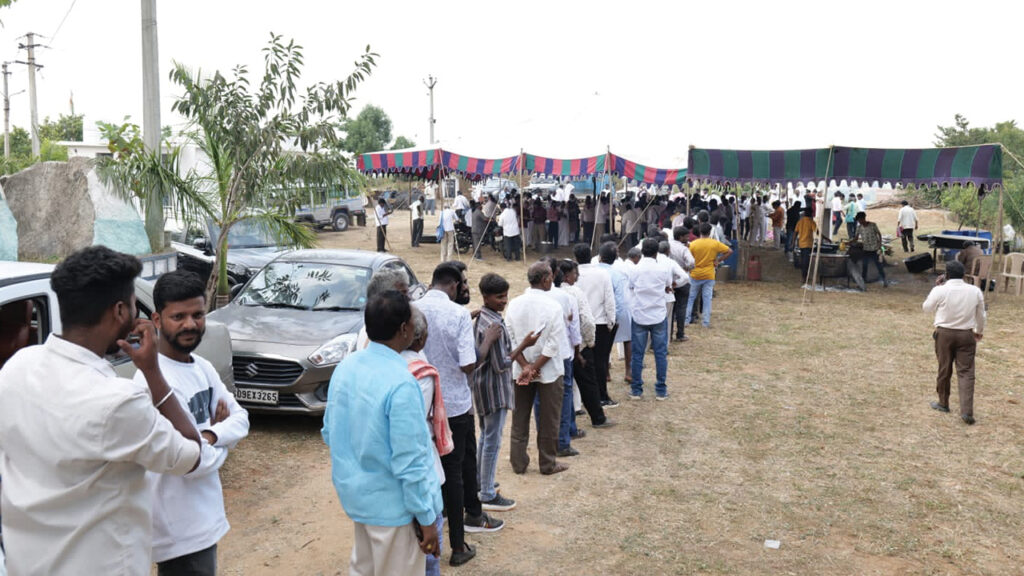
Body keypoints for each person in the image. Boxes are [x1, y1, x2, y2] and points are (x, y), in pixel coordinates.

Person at [0, 246, 202, 575]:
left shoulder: (16, 368)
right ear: (120, 311)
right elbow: (192, 455)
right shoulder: (118, 401)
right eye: (135, 304)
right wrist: (152, 372)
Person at [137, 271, 250, 576]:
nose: (190, 324)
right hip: (178, 529)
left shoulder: (203, 367)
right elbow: (191, 461)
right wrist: (220, 445)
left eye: (198, 314)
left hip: (204, 517)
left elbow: (241, 420)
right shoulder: (151, 382)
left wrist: (210, 435)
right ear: (157, 320)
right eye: (179, 316)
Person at [322, 291, 442, 575]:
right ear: (404, 329)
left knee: (363, 569)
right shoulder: (402, 382)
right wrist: (426, 519)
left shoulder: (346, 366)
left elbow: (329, 431)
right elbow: (410, 460)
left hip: (358, 499)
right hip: (394, 511)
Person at [416, 264, 503, 567]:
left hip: (422, 403)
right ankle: (458, 545)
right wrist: (487, 340)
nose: (465, 287)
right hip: (453, 405)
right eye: (463, 282)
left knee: (435, 472)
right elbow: (468, 364)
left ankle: (438, 529)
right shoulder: (455, 315)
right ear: (452, 285)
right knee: (454, 473)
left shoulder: (414, 309)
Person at [472, 274, 539, 514]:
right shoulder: (495, 325)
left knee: (485, 436)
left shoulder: (481, 317)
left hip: (481, 386)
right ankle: (487, 492)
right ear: (486, 297)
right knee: (492, 440)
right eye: (499, 297)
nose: (504, 301)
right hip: (494, 388)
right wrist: (524, 345)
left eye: (505, 296)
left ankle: (481, 481)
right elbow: (501, 363)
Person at [505, 262, 570, 476]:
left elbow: (512, 339)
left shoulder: (514, 304)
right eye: (551, 275)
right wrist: (534, 367)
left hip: (521, 369)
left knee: (520, 417)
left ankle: (518, 462)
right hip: (548, 370)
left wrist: (525, 366)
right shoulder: (553, 306)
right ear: (545, 279)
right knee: (549, 419)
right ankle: (547, 463)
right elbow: (553, 344)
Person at [401, 307, 451, 576]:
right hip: (422, 471)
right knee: (430, 548)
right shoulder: (420, 374)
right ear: (416, 338)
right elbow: (413, 434)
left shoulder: (381, 364)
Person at [923, 261, 985, 425]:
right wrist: (978, 331)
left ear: (946, 275)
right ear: (964, 274)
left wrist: (937, 288)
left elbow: (926, 308)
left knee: (944, 368)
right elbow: (981, 315)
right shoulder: (975, 291)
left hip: (944, 333)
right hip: (966, 334)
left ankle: (943, 402)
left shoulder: (940, 290)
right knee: (966, 372)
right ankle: (967, 411)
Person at [626, 239, 673, 400]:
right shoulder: (663, 268)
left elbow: (631, 286)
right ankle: (661, 389)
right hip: (658, 314)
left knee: (637, 354)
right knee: (660, 353)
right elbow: (668, 285)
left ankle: (636, 389)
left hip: (639, 313)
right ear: (656, 252)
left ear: (642, 251)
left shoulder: (635, 269)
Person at [574, 243, 619, 408]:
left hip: (580, 323)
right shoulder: (601, 273)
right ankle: (601, 396)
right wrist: (611, 321)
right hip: (600, 322)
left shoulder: (573, 275)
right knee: (601, 360)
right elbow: (610, 299)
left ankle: (580, 400)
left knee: (583, 360)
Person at [685, 223, 733, 328]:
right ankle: (705, 322)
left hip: (695, 274)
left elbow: (688, 259)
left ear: (699, 232)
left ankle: (686, 320)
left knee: (690, 298)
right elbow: (729, 251)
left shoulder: (693, 244)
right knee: (707, 299)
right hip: (709, 274)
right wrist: (719, 260)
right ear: (710, 232)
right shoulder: (714, 244)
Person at [854, 211, 888, 288]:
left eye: (859, 220)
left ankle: (884, 280)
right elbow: (856, 238)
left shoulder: (873, 225)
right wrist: (850, 242)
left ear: (863, 218)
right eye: (858, 221)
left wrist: (880, 244)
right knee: (864, 265)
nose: (859, 222)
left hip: (874, 249)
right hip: (866, 249)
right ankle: (863, 282)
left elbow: (879, 234)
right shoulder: (859, 228)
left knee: (878, 265)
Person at [794, 207, 817, 282]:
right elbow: (817, 232)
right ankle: (804, 277)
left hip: (801, 244)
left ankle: (804, 276)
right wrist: (826, 238)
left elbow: (795, 232)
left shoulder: (800, 221)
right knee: (806, 262)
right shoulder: (811, 222)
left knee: (804, 260)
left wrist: (793, 242)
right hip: (808, 244)